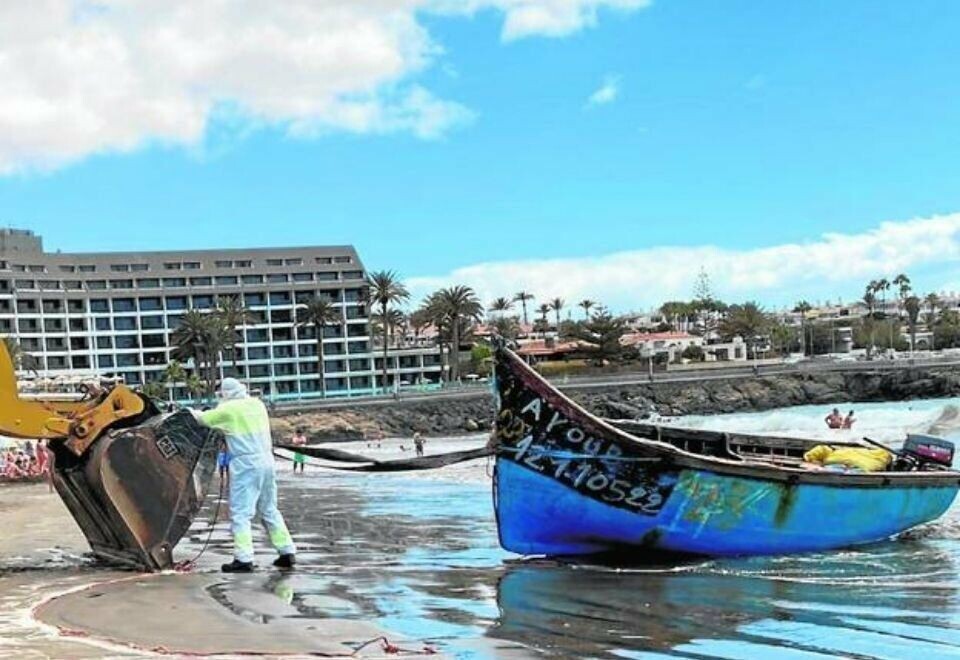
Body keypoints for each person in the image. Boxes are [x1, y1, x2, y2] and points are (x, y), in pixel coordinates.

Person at [197, 378, 297, 573]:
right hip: (267, 461)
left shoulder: (228, 410)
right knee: (269, 508)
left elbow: (203, 420)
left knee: (241, 513)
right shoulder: (257, 405)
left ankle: (243, 558)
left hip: (246, 464)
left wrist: (199, 411)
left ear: (225, 394)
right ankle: (287, 551)